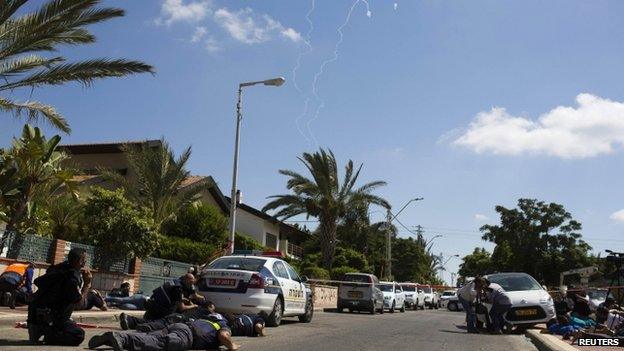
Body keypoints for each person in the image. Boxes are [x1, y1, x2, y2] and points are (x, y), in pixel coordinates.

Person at [27, 247, 91, 346]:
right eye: (84, 260)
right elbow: (79, 304)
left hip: (36, 313)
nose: (85, 262)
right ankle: (49, 334)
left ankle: (38, 328)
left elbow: (38, 282)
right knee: (79, 335)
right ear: (81, 262)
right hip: (55, 316)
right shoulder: (71, 279)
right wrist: (87, 284)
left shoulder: (56, 268)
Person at [88, 319, 240, 351]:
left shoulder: (208, 320)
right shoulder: (223, 326)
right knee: (157, 343)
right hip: (187, 336)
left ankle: (109, 339)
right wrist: (232, 346)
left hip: (179, 326)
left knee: (149, 336)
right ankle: (122, 338)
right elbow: (224, 337)